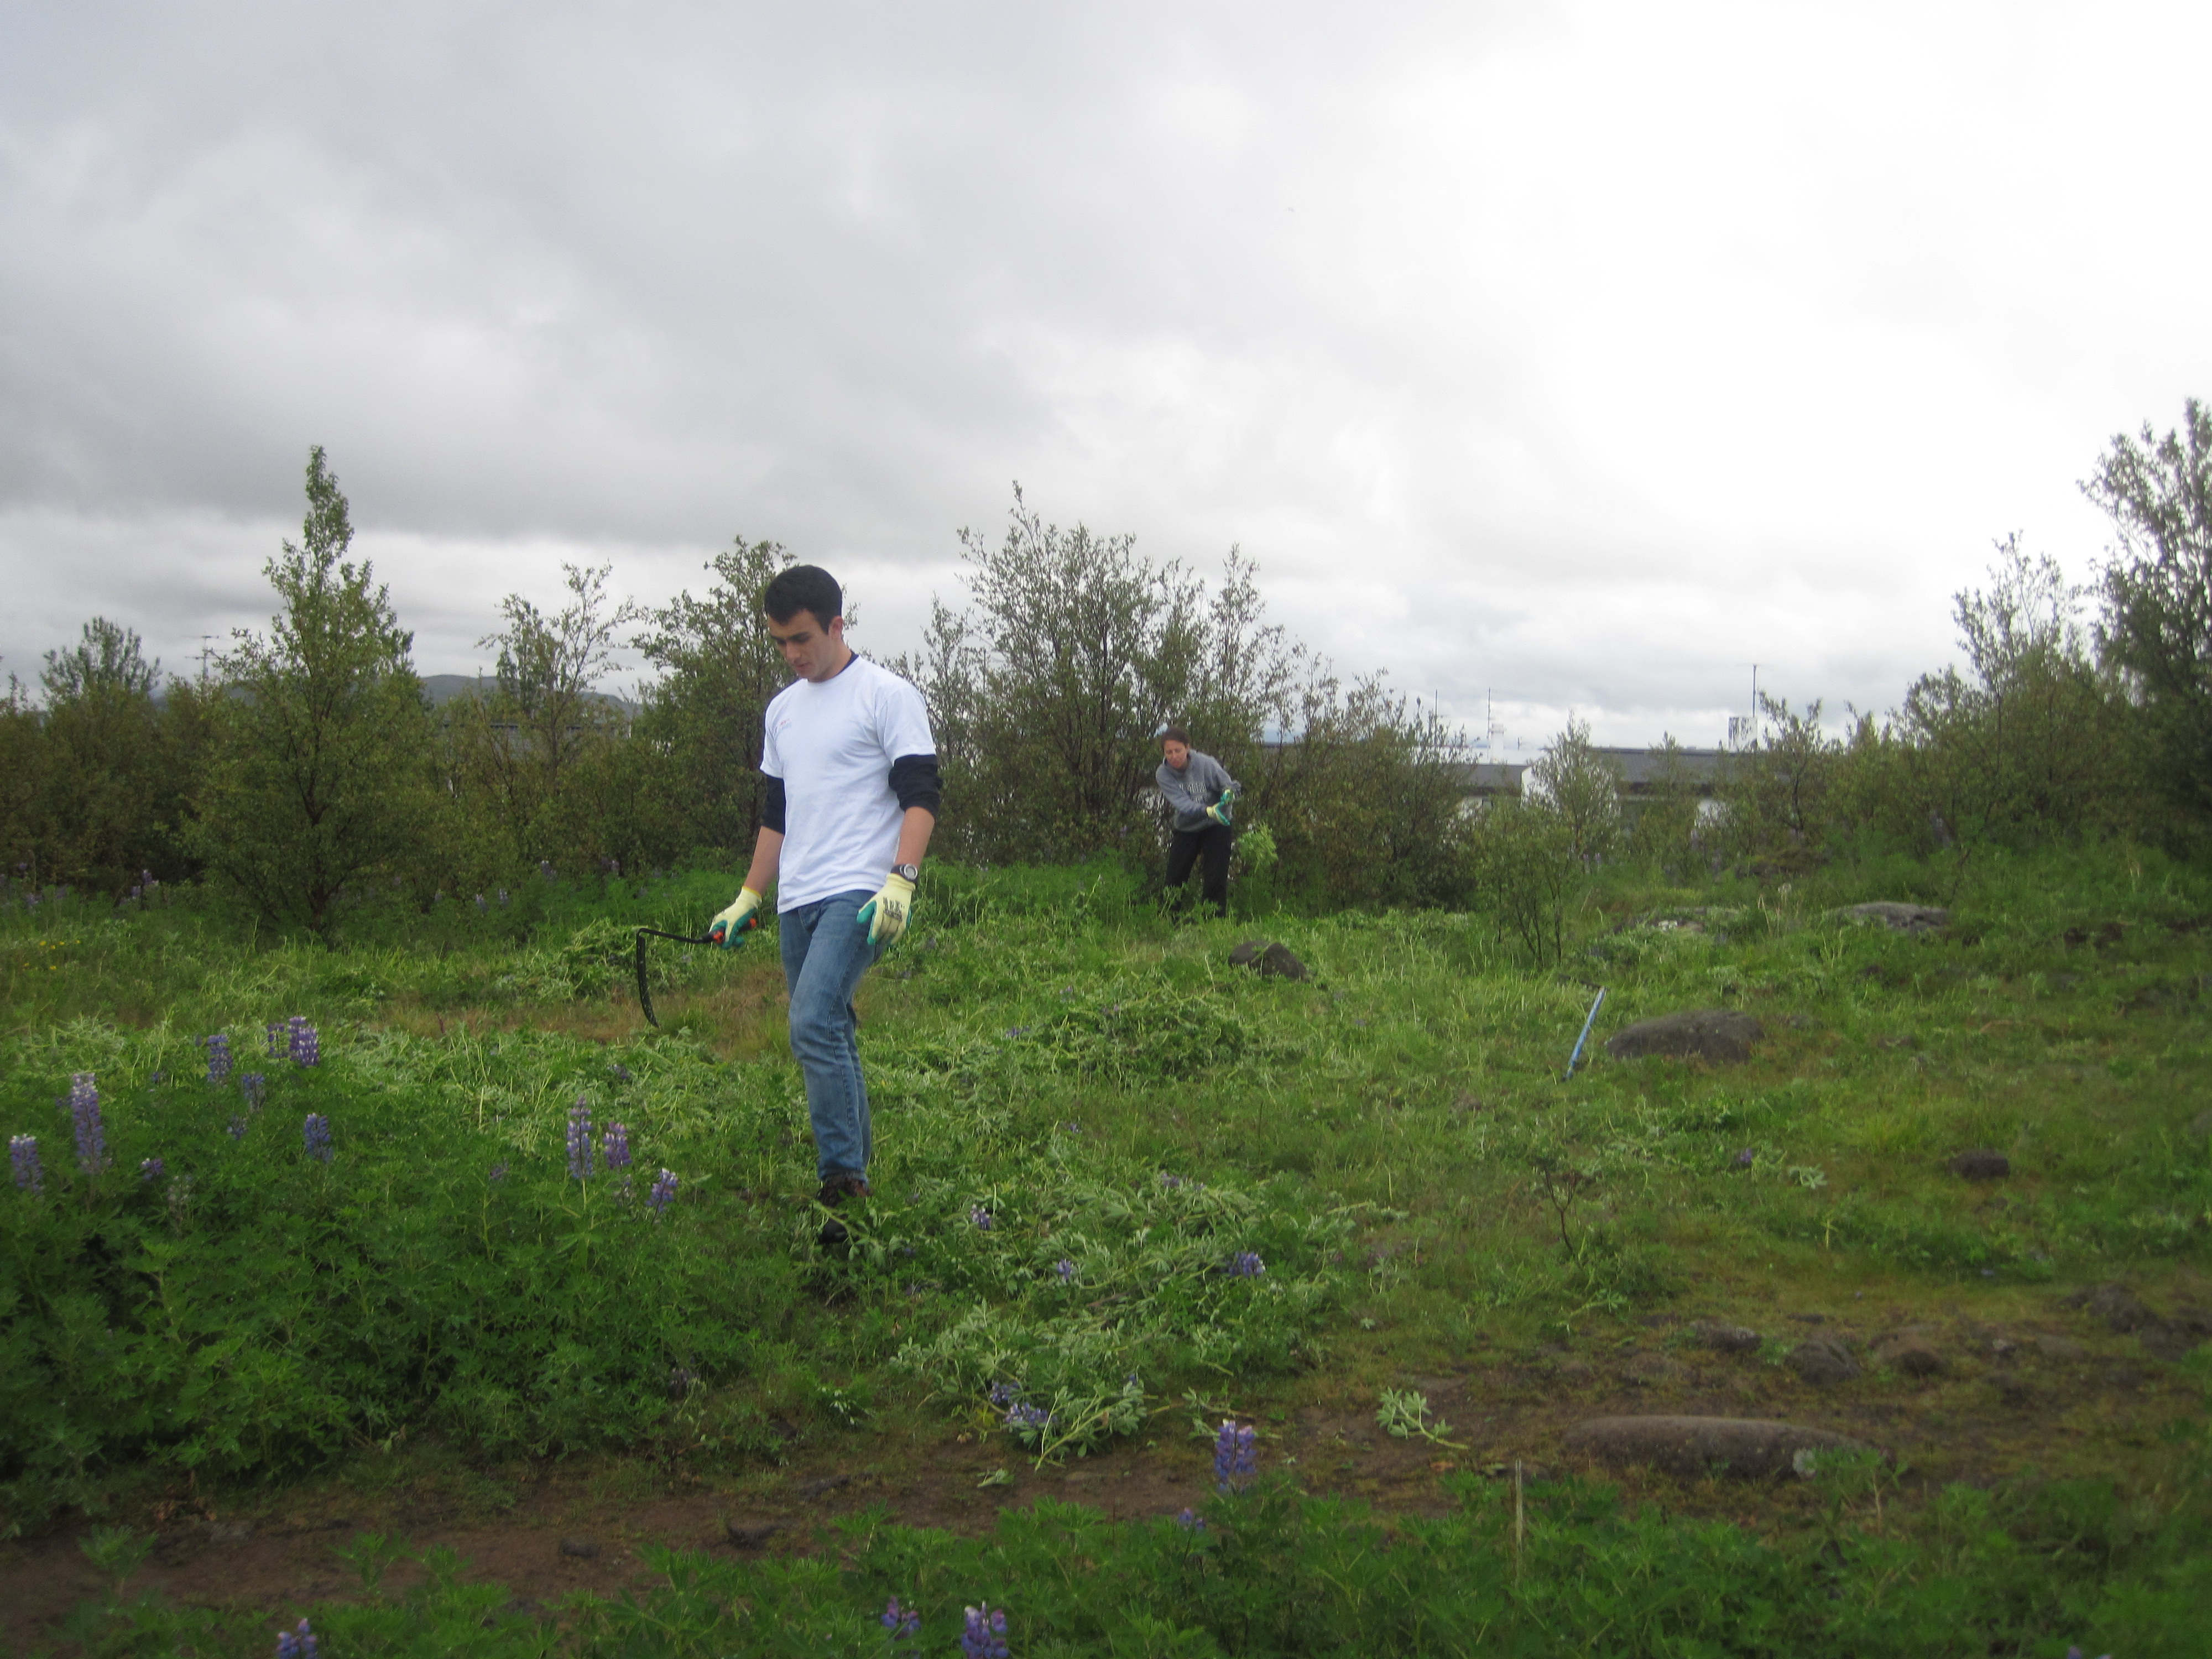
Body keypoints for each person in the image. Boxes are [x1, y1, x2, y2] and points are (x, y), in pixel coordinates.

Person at [705, 565, 940, 1245]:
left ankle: (842, 1185)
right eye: (779, 643)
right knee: (830, 1026)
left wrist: (902, 881)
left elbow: (921, 795)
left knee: (810, 1021)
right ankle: (858, 1176)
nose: (792, 654)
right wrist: (750, 894)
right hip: (797, 897)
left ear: (837, 625)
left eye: (801, 639)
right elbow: (776, 814)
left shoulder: (886, 695)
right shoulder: (781, 710)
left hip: (862, 890)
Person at [1156, 724, 1237, 917]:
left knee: (1215, 877)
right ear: (1164, 753)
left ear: (1187, 748)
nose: (1174, 756)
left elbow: (1227, 784)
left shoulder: (1206, 763)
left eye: (1178, 750)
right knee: (1175, 877)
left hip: (1218, 824)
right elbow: (1183, 804)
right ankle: (1168, 919)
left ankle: (1213, 921)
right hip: (1187, 827)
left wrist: (1228, 792)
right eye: (1169, 752)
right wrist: (1208, 810)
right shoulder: (1163, 774)